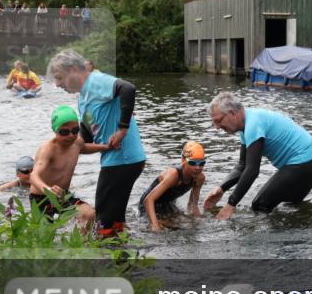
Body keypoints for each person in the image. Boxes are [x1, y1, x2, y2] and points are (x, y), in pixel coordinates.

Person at [48, 49, 146, 237]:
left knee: (103, 219)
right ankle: (123, 254)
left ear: (75, 69)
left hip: (122, 159)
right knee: (112, 217)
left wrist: (122, 128)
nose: (57, 84)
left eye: (60, 78)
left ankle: (111, 258)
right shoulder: (83, 98)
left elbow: (128, 89)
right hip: (116, 160)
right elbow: (87, 137)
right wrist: (61, 145)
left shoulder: (95, 81)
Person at [202, 92, 312, 218]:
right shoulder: (247, 124)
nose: (217, 127)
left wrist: (230, 204)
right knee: (292, 206)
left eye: (218, 121)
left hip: (306, 161)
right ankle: (302, 228)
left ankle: (268, 237)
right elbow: (242, 165)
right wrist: (221, 188)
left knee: (260, 204)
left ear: (233, 113)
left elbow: (252, 170)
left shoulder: (253, 124)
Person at [29, 106, 109, 232]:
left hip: (63, 195)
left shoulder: (76, 142)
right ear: (55, 131)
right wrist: (48, 190)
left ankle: (82, 246)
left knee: (89, 214)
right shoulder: (48, 150)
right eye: (64, 132)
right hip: (41, 197)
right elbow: (33, 176)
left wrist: (105, 147)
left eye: (75, 130)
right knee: (44, 234)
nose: (71, 135)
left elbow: (84, 148)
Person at [139, 141, 207, 232]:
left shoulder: (199, 178)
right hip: (149, 204)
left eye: (201, 163)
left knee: (189, 224)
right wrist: (154, 225)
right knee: (171, 227)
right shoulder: (174, 175)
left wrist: (198, 221)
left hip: (168, 204)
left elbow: (192, 205)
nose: (197, 168)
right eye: (192, 163)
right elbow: (148, 200)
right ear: (183, 160)